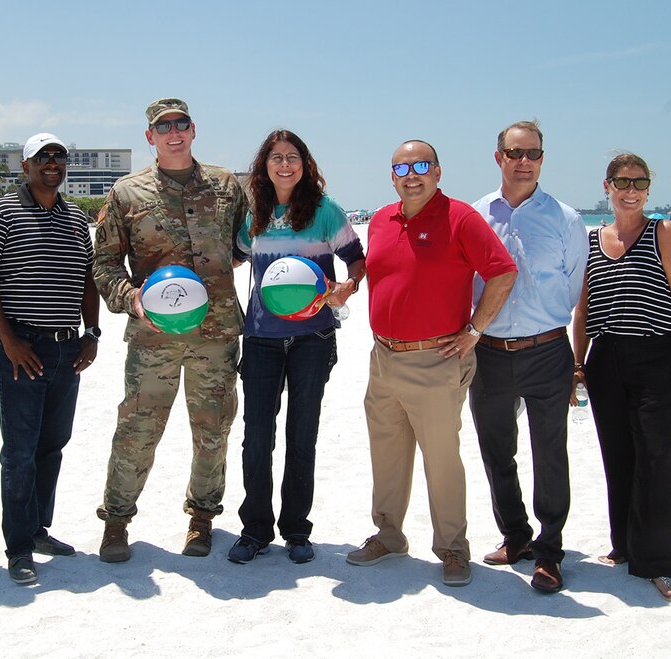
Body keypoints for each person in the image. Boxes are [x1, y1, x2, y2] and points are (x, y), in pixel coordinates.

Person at [346, 139, 517, 587]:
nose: (411, 174)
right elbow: (377, 272)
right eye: (402, 167)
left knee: (441, 460)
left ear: (438, 172)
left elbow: (502, 272)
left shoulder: (461, 217)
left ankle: (453, 549)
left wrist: (475, 330)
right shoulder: (381, 220)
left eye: (422, 165)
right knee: (387, 454)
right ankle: (388, 534)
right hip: (382, 357)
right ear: (392, 176)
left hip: (437, 360)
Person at [92, 98, 248, 563]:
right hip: (153, 336)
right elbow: (104, 263)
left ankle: (202, 518)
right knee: (137, 429)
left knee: (213, 431)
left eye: (181, 124)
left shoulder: (225, 185)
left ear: (193, 130)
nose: (173, 133)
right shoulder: (127, 193)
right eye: (164, 127)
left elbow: (246, 242)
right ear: (150, 137)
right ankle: (116, 521)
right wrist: (131, 297)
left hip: (216, 333)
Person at [226, 130, 366, 565]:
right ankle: (254, 529)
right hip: (262, 337)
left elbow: (357, 259)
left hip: (313, 337)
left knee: (301, 435)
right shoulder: (255, 213)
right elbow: (234, 256)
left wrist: (349, 287)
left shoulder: (325, 210)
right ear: (263, 165)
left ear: (305, 163)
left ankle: (297, 530)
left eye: (293, 157)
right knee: (256, 438)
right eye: (276, 157)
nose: (284, 165)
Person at [0, 133, 100, 585]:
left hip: (67, 347)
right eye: (41, 157)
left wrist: (92, 332)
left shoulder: (76, 217)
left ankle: (39, 529)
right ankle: (19, 547)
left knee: (52, 444)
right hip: (20, 347)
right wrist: (7, 340)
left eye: (59, 156)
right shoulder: (2, 211)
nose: (51, 163)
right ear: (24, 166)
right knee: (20, 451)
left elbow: (87, 278)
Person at [468, 121, 588, 593]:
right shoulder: (474, 215)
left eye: (533, 154)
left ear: (542, 158)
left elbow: (574, 286)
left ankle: (550, 551)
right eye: (515, 153)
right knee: (497, 452)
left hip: (547, 351)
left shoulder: (566, 219)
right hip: (490, 353)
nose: (524, 161)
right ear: (498, 157)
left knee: (550, 454)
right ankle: (515, 536)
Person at [572, 153, 671, 602]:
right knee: (618, 455)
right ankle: (624, 545)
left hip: (656, 355)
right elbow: (584, 310)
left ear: (648, 188)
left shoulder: (665, 233)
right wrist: (578, 363)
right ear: (607, 186)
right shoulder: (591, 240)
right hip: (605, 359)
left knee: (656, 458)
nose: (631, 190)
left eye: (640, 182)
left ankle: (660, 562)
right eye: (623, 181)